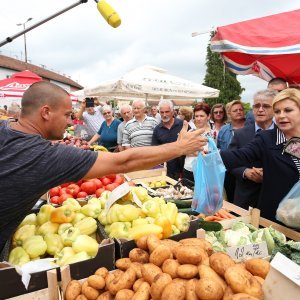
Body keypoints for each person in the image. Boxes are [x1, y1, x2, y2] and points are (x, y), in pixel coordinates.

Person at [0, 81, 208, 252]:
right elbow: (123, 161)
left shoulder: (4, 127)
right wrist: (180, 147)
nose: (71, 121)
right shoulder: (45, 155)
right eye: (66, 115)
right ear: (46, 112)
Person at [221, 88, 300, 222]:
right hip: (277, 218)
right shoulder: (267, 138)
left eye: (288, 110)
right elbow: (240, 156)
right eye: (277, 111)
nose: (281, 115)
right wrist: (209, 153)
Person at [228, 89, 277, 209]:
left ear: (275, 109)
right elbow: (230, 162)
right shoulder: (240, 134)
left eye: (265, 106)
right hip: (246, 199)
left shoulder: (284, 133)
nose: (260, 109)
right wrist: (246, 172)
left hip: (275, 200)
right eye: (256, 106)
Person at [217, 100, 245, 202]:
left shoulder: (251, 127)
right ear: (229, 113)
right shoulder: (224, 130)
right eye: (235, 110)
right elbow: (219, 148)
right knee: (230, 198)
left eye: (240, 109)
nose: (238, 112)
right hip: (228, 171)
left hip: (246, 171)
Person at [152, 99, 185, 180]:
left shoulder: (182, 125)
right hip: (166, 170)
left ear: (173, 111)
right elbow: (155, 150)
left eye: (167, 112)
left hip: (183, 169)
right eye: (162, 112)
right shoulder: (157, 129)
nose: (164, 115)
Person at [183, 103, 214, 182]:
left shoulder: (213, 133)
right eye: (196, 116)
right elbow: (183, 151)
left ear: (208, 116)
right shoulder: (190, 131)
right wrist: (199, 152)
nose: (199, 119)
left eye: (201, 116)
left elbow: (215, 154)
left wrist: (194, 151)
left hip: (206, 171)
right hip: (189, 170)